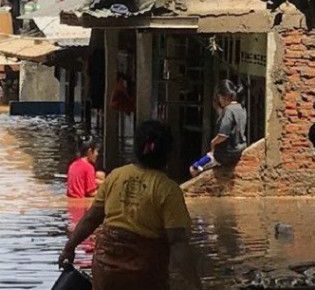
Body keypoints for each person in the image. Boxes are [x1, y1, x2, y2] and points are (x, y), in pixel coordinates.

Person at [59, 120, 202, 290]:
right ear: (169, 153)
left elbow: (91, 218)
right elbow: (178, 242)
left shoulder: (116, 176)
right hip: (143, 275)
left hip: (106, 270)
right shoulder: (168, 190)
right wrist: (194, 284)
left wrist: (69, 248)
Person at [190, 79, 247, 177]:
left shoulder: (228, 110)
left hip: (225, 154)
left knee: (193, 168)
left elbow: (223, 135)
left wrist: (213, 143)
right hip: (239, 149)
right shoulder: (241, 108)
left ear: (224, 96)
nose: (219, 100)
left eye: (219, 97)